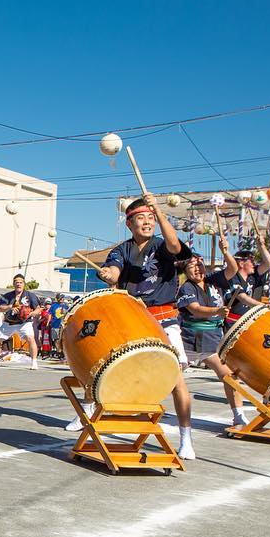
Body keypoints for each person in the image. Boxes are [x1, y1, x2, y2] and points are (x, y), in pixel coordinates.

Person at [74, 192, 198, 459]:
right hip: (134, 318)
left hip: (165, 320)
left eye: (150, 218)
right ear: (129, 223)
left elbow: (176, 247)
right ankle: (86, 415)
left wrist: (160, 211)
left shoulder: (160, 245)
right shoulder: (122, 250)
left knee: (176, 381)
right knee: (102, 359)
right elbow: (115, 271)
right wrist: (109, 274)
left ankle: (186, 437)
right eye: (141, 218)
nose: (147, 222)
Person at [175, 241, 248, 427]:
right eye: (192, 266)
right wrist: (217, 311)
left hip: (212, 341)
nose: (197, 269)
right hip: (188, 341)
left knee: (229, 376)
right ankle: (146, 406)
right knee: (170, 378)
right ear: (186, 271)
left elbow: (233, 268)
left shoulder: (214, 281)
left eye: (199, 264)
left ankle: (238, 414)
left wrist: (226, 252)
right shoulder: (187, 288)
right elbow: (195, 309)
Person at [0, 274, 41, 369]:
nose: (18, 284)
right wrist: (10, 306)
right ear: (13, 283)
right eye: (17, 282)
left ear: (24, 284)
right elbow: (1, 307)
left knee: (31, 339)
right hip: (9, 322)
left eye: (20, 282)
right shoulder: (8, 295)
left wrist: (30, 314)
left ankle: (34, 362)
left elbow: (38, 309)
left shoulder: (30, 295)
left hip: (24, 322)